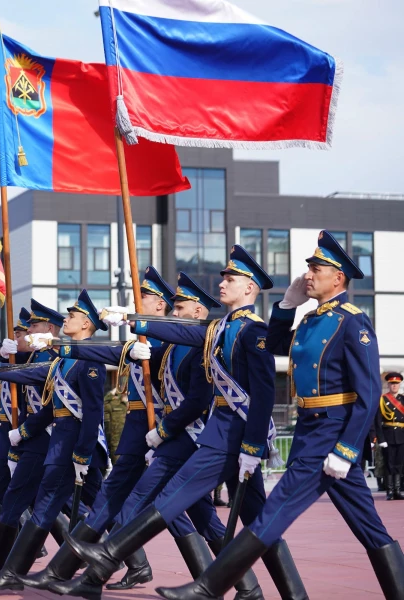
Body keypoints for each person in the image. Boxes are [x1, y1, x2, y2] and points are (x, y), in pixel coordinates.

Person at [158, 233, 404, 600]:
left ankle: (209, 586)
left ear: (338, 278)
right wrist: (288, 304)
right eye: (308, 267)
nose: (308, 274)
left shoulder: (352, 322)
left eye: (316, 268)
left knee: (273, 511)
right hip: (309, 429)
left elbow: (368, 394)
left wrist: (347, 450)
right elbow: (274, 344)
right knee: (369, 527)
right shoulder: (308, 323)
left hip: (330, 434)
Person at [63, 246, 307, 596]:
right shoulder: (219, 328)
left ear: (250, 289)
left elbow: (265, 394)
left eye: (231, 278)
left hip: (232, 436)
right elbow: (183, 332)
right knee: (259, 524)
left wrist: (253, 446)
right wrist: (132, 320)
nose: (223, 283)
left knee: (173, 497)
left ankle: (108, 554)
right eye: (223, 277)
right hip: (223, 433)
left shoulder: (253, 331)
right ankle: (275, 594)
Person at [0, 293, 108, 591]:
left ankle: (101, 564)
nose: (65, 319)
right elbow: (45, 397)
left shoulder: (89, 360)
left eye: (72, 316)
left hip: (76, 447)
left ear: (86, 324)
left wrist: (83, 454)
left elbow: (93, 413)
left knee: (99, 507)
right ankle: (24, 572)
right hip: (59, 446)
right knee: (66, 506)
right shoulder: (61, 362)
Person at [376, 372, 404, 501]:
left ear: (399, 385)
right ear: (388, 384)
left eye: (396, 384)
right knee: (389, 464)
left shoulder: (403, 399)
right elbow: (377, 421)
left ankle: (398, 490)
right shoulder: (382, 400)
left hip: (401, 435)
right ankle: (390, 490)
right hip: (388, 436)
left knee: (399, 464)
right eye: (392, 384)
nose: (394, 386)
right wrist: (380, 439)